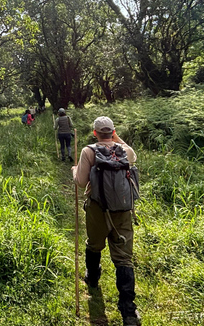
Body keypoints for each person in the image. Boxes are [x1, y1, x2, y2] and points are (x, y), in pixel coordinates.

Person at [72, 116, 141, 326]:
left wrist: (74, 171)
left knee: (94, 244)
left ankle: (93, 279)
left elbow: (81, 181)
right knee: (124, 258)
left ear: (95, 133)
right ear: (113, 132)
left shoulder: (89, 151)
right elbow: (132, 155)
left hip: (98, 209)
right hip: (123, 210)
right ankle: (129, 311)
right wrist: (116, 138)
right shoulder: (125, 151)